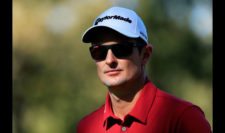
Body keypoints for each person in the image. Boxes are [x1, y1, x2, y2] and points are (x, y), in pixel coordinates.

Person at [77, 6, 211, 133]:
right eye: (99, 51)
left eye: (122, 49)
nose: (109, 60)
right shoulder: (86, 126)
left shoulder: (184, 118)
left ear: (145, 54)